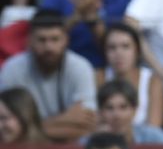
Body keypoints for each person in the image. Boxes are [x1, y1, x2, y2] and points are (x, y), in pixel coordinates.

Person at [0, 12, 96, 141]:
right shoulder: (12, 68)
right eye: (41, 40)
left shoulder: (81, 67)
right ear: (29, 41)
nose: (48, 47)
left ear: (66, 40)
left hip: (71, 148)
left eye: (55, 39)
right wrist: (66, 118)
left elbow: (86, 125)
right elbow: (9, 128)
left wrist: (30, 128)